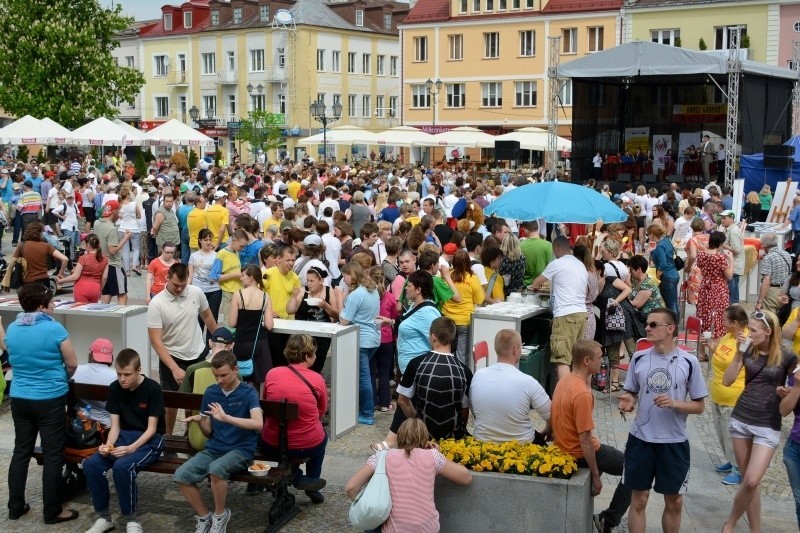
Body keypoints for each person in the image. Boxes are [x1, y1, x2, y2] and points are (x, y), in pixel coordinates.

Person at [618, 308, 708, 533]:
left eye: (653, 324)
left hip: (674, 441)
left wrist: (675, 403)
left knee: (675, 501)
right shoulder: (638, 357)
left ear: (670, 329)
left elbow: (699, 406)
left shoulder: (689, 362)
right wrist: (628, 400)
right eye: (647, 324)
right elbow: (632, 392)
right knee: (638, 500)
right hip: (641, 439)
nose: (647, 328)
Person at [6, 283, 79, 525]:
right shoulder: (55, 329)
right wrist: (61, 378)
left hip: (20, 397)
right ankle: (52, 510)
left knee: (21, 452)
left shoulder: (13, 328)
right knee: (52, 454)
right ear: (41, 306)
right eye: (51, 301)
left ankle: (15, 506)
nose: (54, 304)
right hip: (49, 398)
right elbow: (72, 363)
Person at [722, 310, 797, 532]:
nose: (748, 333)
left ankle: (730, 523)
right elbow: (728, 381)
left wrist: (788, 390)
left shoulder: (787, 356)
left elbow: (797, 385)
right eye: (749, 329)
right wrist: (738, 354)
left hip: (768, 423)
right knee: (747, 482)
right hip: (742, 418)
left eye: (753, 330)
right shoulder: (747, 351)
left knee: (752, 480)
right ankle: (756, 530)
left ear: (768, 331)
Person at [175, 350, 263, 533]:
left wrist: (227, 418)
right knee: (181, 475)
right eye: (216, 376)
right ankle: (204, 516)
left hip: (241, 450)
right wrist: (201, 422)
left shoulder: (248, 393)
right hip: (215, 448)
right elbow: (209, 433)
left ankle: (220, 515)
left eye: (223, 375)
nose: (219, 380)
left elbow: (258, 423)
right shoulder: (211, 392)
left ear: (235, 369)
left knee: (216, 470)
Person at [551, 339, 631, 533]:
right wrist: (596, 476)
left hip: (564, 446)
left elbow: (552, 414)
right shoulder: (582, 394)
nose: (602, 361)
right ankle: (608, 519)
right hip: (580, 453)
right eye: (598, 358)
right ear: (587, 361)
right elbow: (585, 440)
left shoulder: (564, 381)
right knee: (635, 469)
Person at [83, 349, 165, 533]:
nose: (122, 379)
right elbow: (115, 427)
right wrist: (108, 445)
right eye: (119, 373)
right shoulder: (114, 388)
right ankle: (104, 518)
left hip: (149, 440)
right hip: (123, 437)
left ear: (139, 370)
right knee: (92, 464)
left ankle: (131, 519)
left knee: (122, 466)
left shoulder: (152, 388)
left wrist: (130, 449)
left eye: (127, 374)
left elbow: (152, 429)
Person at [346, 418, 472, 532]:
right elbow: (466, 477)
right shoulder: (433, 456)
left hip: (395, 529)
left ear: (399, 436)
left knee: (371, 528)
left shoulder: (383, 456)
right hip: (427, 528)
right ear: (425, 438)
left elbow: (351, 487)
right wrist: (439, 454)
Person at [378, 316, 472, 450]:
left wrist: (417, 421)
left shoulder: (416, 363)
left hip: (422, 441)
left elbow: (402, 400)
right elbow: (464, 410)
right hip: (452, 442)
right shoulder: (465, 371)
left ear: (433, 337)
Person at [147, 263, 218, 435]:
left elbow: (207, 316)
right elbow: (156, 341)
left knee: (196, 400)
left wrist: (218, 340)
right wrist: (174, 368)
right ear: (167, 278)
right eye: (176, 285)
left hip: (197, 353)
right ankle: (168, 439)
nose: (179, 289)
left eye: (183, 285)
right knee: (171, 403)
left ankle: (191, 435)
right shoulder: (157, 303)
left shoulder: (196, 292)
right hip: (172, 357)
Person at [260, 334, 328, 504]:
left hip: (272, 442)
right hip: (306, 445)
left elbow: (266, 403)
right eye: (313, 353)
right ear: (306, 356)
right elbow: (321, 411)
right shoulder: (317, 379)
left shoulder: (272, 374)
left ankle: (297, 476)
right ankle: (309, 481)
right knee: (322, 438)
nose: (315, 356)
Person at [470, 329, 551, 442]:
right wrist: (548, 429)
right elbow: (551, 415)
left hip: (483, 445)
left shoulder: (477, 376)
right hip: (522, 447)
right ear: (515, 350)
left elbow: (474, 411)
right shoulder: (528, 382)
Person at [531, 236, 588, 381]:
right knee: (576, 358)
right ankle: (576, 391)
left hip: (565, 315)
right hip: (581, 313)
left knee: (561, 359)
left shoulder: (557, 263)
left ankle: (566, 397)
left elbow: (537, 283)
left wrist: (535, 287)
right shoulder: (580, 264)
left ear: (556, 248)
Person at [704, 305, 748, 485]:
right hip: (717, 394)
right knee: (721, 433)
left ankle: (739, 468)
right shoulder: (728, 336)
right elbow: (722, 356)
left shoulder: (745, 340)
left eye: (725, 320)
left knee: (732, 436)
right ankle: (730, 462)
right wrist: (711, 347)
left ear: (735, 322)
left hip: (733, 397)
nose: (722, 323)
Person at [340, 261, 381, 425]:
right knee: (366, 376)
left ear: (352, 275)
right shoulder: (372, 289)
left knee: (363, 378)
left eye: (345, 276)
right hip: (373, 338)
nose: (343, 280)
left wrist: (340, 298)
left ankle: (367, 413)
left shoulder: (356, 295)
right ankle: (365, 409)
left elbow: (344, 320)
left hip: (361, 340)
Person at [227, 264, 274, 386]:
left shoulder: (238, 295)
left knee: (239, 379)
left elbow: (232, 323)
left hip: (241, 342)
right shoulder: (265, 296)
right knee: (260, 382)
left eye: (243, 275)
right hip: (259, 343)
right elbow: (269, 325)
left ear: (251, 278)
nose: (240, 278)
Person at [294, 266, 342, 373]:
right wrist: (294, 297)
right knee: (302, 365)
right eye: (307, 280)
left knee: (317, 365)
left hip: (322, 335)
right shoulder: (303, 291)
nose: (309, 284)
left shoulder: (330, 291)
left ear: (321, 280)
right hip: (304, 334)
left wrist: (326, 306)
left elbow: (337, 315)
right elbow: (291, 310)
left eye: (312, 281)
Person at [441, 249, 485, 366]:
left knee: (447, 352)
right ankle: (460, 377)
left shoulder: (447, 276)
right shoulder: (472, 278)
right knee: (462, 355)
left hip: (447, 319)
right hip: (464, 321)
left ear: (453, 261)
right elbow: (479, 299)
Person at [696, 231, 734, 356]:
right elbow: (729, 276)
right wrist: (731, 260)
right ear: (721, 243)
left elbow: (701, 268)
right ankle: (715, 351)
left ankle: (701, 352)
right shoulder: (720, 258)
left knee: (704, 316)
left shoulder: (701, 254)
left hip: (705, 287)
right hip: (718, 289)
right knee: (718, 317)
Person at [72, 338, 118, 427]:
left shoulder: (75, 371)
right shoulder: (116, 376)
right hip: (106, 427)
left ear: (91, 354)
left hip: (79, 424)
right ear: (111, 357)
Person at [94, 200, 131, 305]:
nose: (119, 214)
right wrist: (125, 238)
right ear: (114, 211)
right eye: (118, 211)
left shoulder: (97, 223)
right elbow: (112, 250)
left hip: (102, 263)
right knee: (122, 295)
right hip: (114, 265)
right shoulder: (111, 228)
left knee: (106, 294)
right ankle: (122, 317)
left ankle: (104, 317)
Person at [209, 229, 248, 323]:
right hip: (228, 294)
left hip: (237, 292)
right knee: (229, 322)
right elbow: (213, 277)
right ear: (234, 240)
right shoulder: (222, 254)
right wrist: (234, 274)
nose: (242, 248)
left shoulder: (236, 253)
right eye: (241, 246)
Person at [13, 221, 69, 287]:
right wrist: (60, 273)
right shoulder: (46, 246)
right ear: (40, 233)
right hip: (44, 280)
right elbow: (65, 259)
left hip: (28, 281)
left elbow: (13, 262)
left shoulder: (21, 245)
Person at [56, 233, 108, 303]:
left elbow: (75, 276)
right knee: (91, 312)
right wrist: (100, 289)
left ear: (88, 245)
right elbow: (104, 277)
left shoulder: (83, 258)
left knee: (81, 312)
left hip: (82, 287)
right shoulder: (104, 258)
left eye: (84, 243)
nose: (83, 245)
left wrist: (61, 281)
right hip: (96, 288)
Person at [780, 357, 800, 530]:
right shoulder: (796, 375)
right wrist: (796, 388)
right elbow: (784, 410)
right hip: (795, 447)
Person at [189, 228, 223, 324]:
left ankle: (211, 339)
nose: (208, 242)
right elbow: (190, 275)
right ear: (200, 241)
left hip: (214, 290)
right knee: (199, 319)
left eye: (210, 239)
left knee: (213, 317)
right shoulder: (193, 256)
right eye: (205, 240)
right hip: (198, 290)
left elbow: (220, 273)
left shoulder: (217, 255)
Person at [647, 224, 681, 321]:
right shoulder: (667, 241)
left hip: (667, 276)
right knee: (674, 301)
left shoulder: (660, 246)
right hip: (674, 273)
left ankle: (673, 323)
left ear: (653, 234)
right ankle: (676, 322)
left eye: (648, 234)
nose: (648, 236)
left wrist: (657, 276)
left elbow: (663, 264)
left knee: (670, 303)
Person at [756, 233, 793, 315]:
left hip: (772, 291)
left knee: (770, 318)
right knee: (781, 317)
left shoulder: (768, 258)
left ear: (764, 245)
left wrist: (759, 302)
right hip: (786, 290)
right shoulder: (786, 254)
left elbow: (766, 282)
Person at [719, 209, 744, 304]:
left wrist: (722, 245)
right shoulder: (730, 229)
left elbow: (737, 249)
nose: (722, 220)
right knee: (733, 291)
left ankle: (731, 311)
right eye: (721, 218)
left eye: (724, 218)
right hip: (732, 265)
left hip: (733, 266)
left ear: (731, 218)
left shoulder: (733, 231)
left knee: (731, 293)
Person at [683, 218, 709, 305]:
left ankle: (699, 318)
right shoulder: (708, 238)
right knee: (705, 299)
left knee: (697, 300)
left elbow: (693, 255)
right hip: (707, 269)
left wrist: (688, 266)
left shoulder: (693, 240)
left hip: (696, 270)